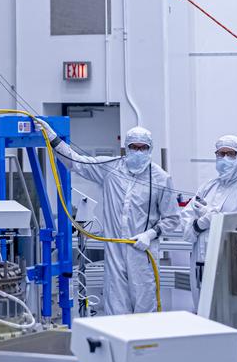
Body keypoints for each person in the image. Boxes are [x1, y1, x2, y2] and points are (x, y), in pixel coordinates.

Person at [35, 122, 179, 315]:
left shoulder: (161, 178)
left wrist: (150, 234)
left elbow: (172, 218)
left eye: (143, 148)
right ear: (125, 147)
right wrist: (53, 139)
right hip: (114, 252)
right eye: (133, 147)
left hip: (143, 254)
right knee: (116, 307)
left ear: (150, 149)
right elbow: (76, 162)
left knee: (145, 309)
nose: (138, 152)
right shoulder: (110, 168)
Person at [181, 135, 237, 308]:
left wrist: (213, 218)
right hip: (201, 259)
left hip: (230, 261)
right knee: (202, 307)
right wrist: (198, 225)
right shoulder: (208, 186)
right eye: (221, 154)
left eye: (230, 154)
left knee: (229, 309)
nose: (225, 158)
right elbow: (187, 218)